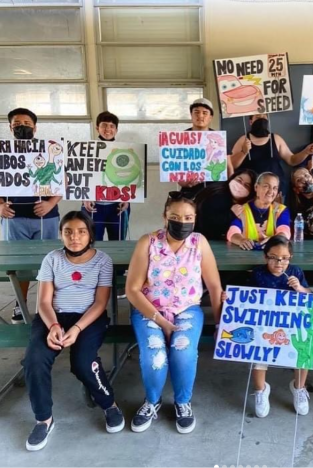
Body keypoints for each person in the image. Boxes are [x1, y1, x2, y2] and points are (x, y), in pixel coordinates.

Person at [23, 211, 124, 451]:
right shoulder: (52, 259)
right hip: (53, 318)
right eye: (68, 232)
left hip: (88, 318)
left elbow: (100, 303)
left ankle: (109, 404)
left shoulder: (102, 260)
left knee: (83, 361)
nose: (74, 237)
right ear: (60, 234)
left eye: (81, 231)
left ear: (90, 234)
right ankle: (43, 419)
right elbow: (44, 302)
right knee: (34, 360)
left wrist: (77, 328)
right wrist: (54, 326)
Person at [126, 191, 223, 434]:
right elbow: (133, 289)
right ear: (165, 217)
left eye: (189, 217)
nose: (183, 222)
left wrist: (222, 321)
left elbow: (213, 285)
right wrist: (159, 320)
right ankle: (152, 401)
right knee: (155, 357)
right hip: (150, 310)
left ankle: (182, 402)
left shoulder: (199, 242)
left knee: (182, 351)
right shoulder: (147, 242)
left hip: (187, 309)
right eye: (175, 216)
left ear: (195, 218)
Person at [0, 108, 62, 324]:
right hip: (13, 219)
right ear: (10, 127)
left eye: (26, 122)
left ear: (35, 127)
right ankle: (20, 303)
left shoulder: (50, 150)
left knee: (52, 263)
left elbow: (62, 180)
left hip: (47, 218)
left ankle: (50, 304)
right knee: (20, 266)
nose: (22, 126)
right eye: (17, 123)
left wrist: (50, 203)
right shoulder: (2, 152)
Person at [248, 235, 313, 417]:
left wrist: (300, 289)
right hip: (265, 327)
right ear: (265, 257)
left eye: (284, 258)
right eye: (273, 257)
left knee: (304, 350)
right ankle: (261, 390)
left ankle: (299, 387)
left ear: (290, 257)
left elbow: (310, 295)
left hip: (291, 326)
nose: (279, 262)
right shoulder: (258, 274)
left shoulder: (296, 272)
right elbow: (244, 297)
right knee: (259, 353)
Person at [230, 114, 313, 200]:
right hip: (253, 192)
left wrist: (306, 152)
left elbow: (291, 160)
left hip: (276, 191)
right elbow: (231, 165)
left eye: (264, 117)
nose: (262, 119)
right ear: (250, 121)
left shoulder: (276, 138)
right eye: (258, 117)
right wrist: (243, 152)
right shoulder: (243, 140)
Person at [82, 111, 130, 241]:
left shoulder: (125, 150)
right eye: (104, 125)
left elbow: (130, 175)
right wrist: (85, 197)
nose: (108, 129)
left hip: (117, 204)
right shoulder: (86, 149)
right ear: (97, 127)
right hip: (93, 204)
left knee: (118, 241)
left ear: (116, 129)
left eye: (111, 126)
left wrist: (127, 198)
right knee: (91, 241)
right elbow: (79, 174)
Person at [179, 98, 234, 198]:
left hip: (216, 191)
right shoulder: (180, 138)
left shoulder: (219, 138)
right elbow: (177, 169)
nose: (200, 116)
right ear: (191, 115)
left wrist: (230, 190)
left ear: (210, 117)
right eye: (196, 112)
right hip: (190, 192)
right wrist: (186, 183)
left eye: (205, 113)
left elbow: (229, 167)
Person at [227, 172, 291, 250]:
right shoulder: (242, 209)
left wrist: (274, 239)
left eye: (275, 188)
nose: (271, 191)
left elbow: (285, 231)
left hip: (272, 255)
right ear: (256, 187)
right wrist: (241, 240)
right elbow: (232, 232)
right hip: (246, 255)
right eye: (266, 186)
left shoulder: (281, 210)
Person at [195, 168, 257, 241]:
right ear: (232, 178)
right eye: (239, 180)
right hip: (203, 239)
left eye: (246, 185)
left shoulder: (243, 203)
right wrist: (231, 214)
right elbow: (207, 223)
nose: (240, 185)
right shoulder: (218, 196)